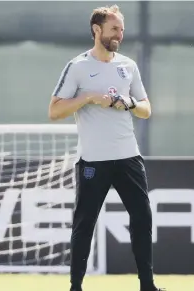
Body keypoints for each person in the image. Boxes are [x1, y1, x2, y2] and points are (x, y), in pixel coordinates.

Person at [48, 5, 165, 291]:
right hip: (93, 160)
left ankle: (147, 285)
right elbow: (54, 110)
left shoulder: (128, 65)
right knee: (84, 224)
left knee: (142, 218)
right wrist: (87, 97)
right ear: (97, 30)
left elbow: (146, 109)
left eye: (122, 30)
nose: (120, 35)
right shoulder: (77, 66)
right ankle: (76, 286)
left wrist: (129, 104)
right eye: (114, 29)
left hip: (128, 157)